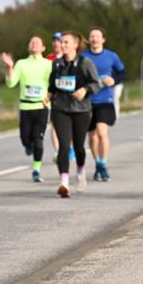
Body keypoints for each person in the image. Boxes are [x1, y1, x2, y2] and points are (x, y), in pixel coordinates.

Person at [47, 31, 101, 198]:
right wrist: (48, 96)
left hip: (81, 110)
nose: (62, 45)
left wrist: (85, 89)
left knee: (79, 146)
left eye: (65, 42)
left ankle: (80, 171)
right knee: (64, 146)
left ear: (75, 45)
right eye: (61, 42)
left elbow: (96, 84)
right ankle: (64, 183)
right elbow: (52, 86)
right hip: (60, 109)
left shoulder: (86, 63)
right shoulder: (56, 64)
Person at [2, 36, 52, 182]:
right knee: (25, 138)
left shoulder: (49, 64)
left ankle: (36, 169)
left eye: (37, 42)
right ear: (29, 47)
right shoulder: (21, 63)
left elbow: (53, 84)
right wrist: (9, 67)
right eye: (31, 42)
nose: (34, 43)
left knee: (38, 138)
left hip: (42, 106)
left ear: (43, 48)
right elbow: (11, 83)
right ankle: (27, 145)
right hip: (25, 107)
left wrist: (49, 97)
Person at [84, 27, 126, 181]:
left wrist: (114, 80)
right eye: (92, 36)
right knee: (93, 136)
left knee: (102, 132)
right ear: (89, 40)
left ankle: (103, 164)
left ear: (103, 39)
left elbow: (122, 72)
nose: (94, 39)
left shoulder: (111, 56)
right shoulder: (83, 57)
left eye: (97, 36)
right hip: (88, 101)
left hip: (105, 99)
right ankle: (98, 165)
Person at [45, 31, 72, 163]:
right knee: (54, 124)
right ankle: (57, 150)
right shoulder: (48, 59)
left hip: (70, 97)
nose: (57, 43)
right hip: (54, 97)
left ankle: (69, 146)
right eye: (55, 40)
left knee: (70, 124)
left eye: (59, 40)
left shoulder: (71, 58)